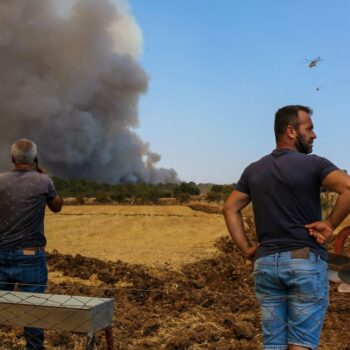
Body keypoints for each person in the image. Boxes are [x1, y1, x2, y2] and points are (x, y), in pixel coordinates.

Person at [223, 105, 350, 350]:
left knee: (273, 343)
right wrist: (330, 224)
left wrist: (246, 249)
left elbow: (230, 208)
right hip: (303, 261)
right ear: (290, 131)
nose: (314, 135)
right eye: (309, 128)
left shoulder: (253, 170)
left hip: (266, 265)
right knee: (301, 343)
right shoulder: (314, 164)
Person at [0, 138, 63, 350]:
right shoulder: (43, 181)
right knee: (33, 312)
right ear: (35, 159)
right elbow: (57, 207)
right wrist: (43, 178)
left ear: (12, 159)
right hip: (31, 257)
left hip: (1, 254)